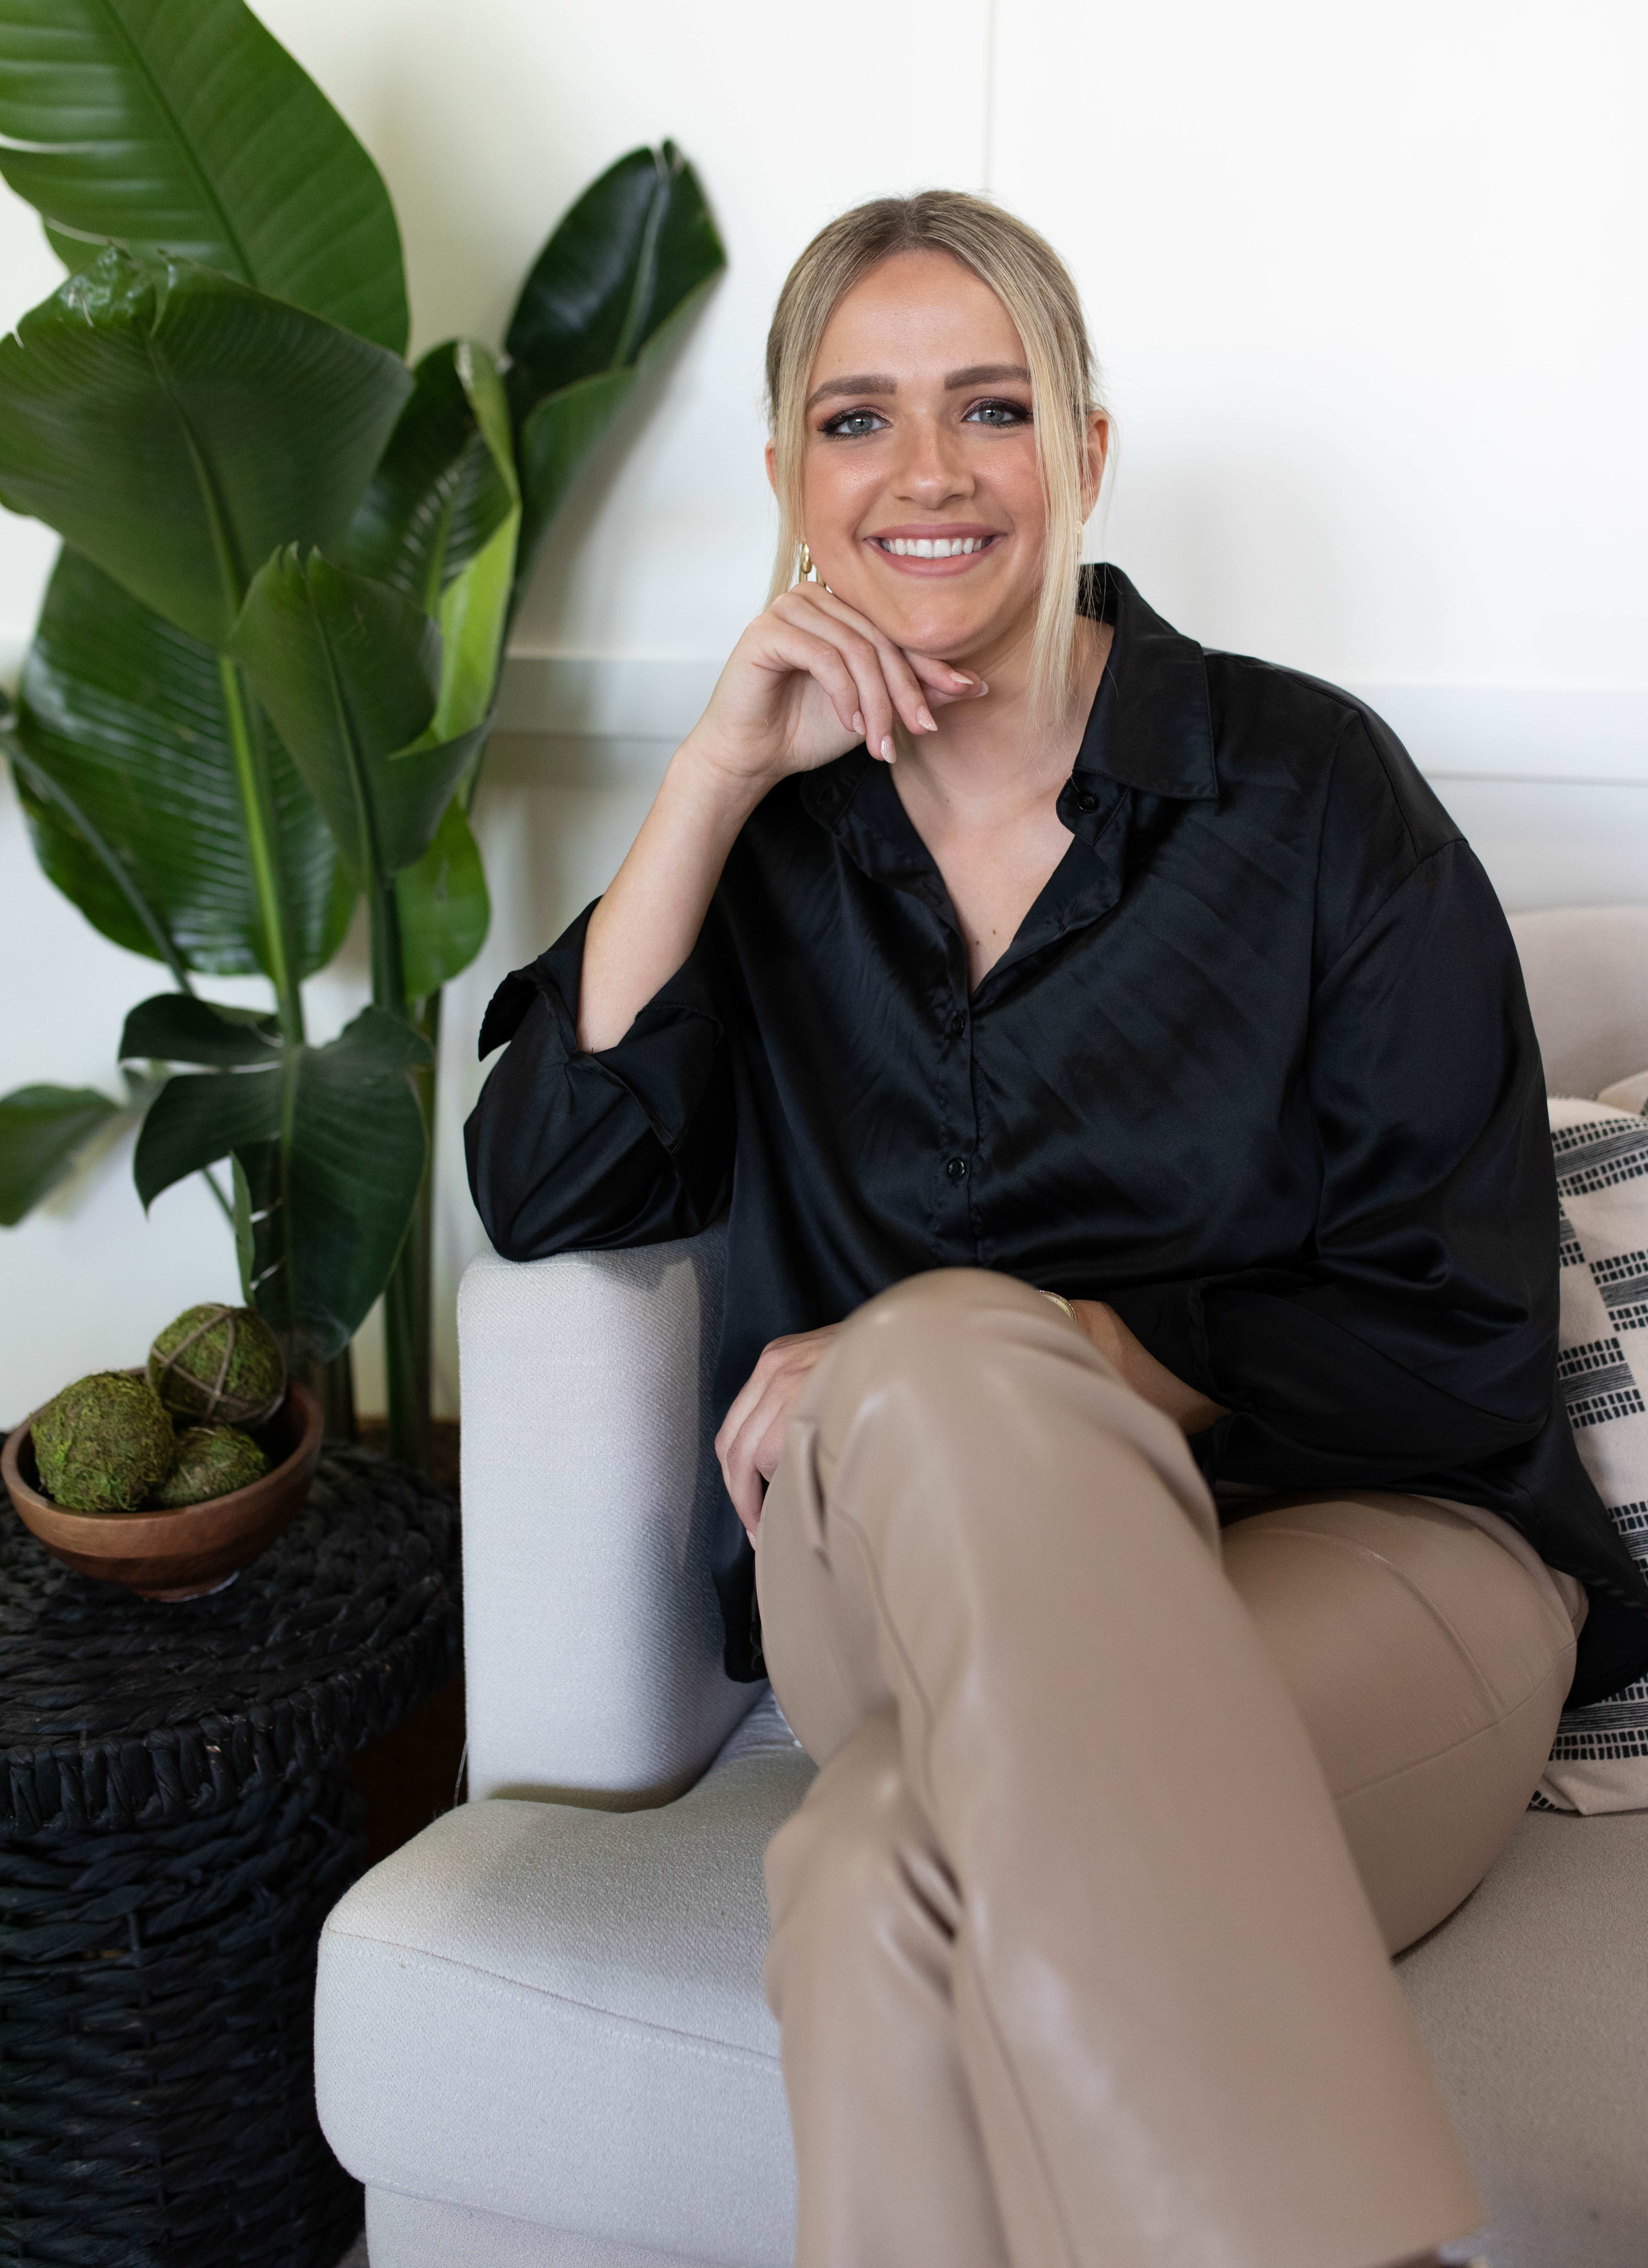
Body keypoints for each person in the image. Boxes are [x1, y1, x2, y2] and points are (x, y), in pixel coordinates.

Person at [466, 191, 1648, 2268]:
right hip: (893, 1578)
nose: (925, 471)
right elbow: (542, 1178)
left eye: (990, 406)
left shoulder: (1311, 796)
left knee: (869, 1892)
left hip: (1372, 1569)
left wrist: (1043, 1342)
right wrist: (716, 772)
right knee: (927, 1366)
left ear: (1085, 454)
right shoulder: (769, 839)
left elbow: (1456, 1335)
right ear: (785, 485)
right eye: (856, 421)